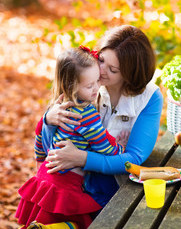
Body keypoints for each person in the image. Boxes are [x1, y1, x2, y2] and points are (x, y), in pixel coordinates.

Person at [37, 25, 163, 208]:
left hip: (118, 188)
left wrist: (82, 158)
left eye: (113, 70)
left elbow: (134, 158)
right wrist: (48, 120)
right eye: (101, 60)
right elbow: (52, 146)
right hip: (71, 183)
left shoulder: (149, 98)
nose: (101, 71)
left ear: (130, 74)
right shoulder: (84, 82)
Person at [16, 47, 125, 229]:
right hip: (65, 185)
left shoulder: (57, 106)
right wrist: (121, 150)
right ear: (71, 86)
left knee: (43, 220)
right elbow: (104, 148)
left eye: (97, 81)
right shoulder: (87, 115)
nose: (97, 88)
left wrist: (40, 161)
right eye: (90, 86)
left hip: (45, 175)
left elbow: (39, 134)